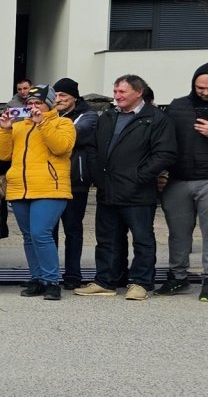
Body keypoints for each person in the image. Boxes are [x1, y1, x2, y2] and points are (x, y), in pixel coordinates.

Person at [79, 75, 176, 300]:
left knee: (142, 238)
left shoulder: (156, 119)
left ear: (138, 92)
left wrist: (140, 177)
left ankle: (140, 283)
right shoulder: (108, 116)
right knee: (107, 238)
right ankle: (106, 281)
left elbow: (165, 154)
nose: (117, 96)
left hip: (138, 191)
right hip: (108, 188)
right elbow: (93, 147)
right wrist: (97, 175)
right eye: (115, 91)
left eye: (122, 92)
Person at [0, 85, 73, 298]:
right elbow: (2, 155)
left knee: (41, 234)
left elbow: (60, 147)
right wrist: (5, 129)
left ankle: (51, 281)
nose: (33, 107)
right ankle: (37, 279)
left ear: (48, 104)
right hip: (20, 188)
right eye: (29, 103)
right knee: (29, 236)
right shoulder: (20, 126)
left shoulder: (63, 123)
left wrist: (43, 123)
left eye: (38, 103)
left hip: (50, 188)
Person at [160, 62, 208, 297]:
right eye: (200, 87)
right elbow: (163, 139)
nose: (205, 92)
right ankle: (178, 277)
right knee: (178, 233)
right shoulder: (178, 106)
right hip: (178, 179)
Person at [50, 79, 98, 289]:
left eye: (63, 96)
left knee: (73, 230)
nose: (58, 100)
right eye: (56, 95)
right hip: (49, 181)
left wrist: (49, 129)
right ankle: (49, 274)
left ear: (74, 98)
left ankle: (73, 275)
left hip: (74, 181)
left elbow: (70, 138)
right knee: (48, 232)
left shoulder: (88, 116)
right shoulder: (50, 114)